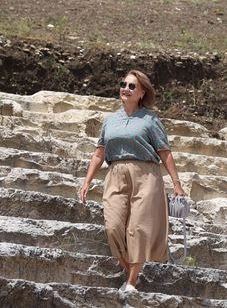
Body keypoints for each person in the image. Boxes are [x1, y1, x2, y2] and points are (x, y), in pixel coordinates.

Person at [79, 69, 186, 293]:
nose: (125, 89)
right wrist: (87, 181)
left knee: (138, 227)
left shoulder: (150, 119)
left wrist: (176, 183)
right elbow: (99, 154)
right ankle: (129, 271)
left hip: (146, 175)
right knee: (113, 226)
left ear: (142, 92)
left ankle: (131, 281)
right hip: (115, 173)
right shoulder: (110, 120)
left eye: (131, 86)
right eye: (123, 84)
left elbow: (164, 151)